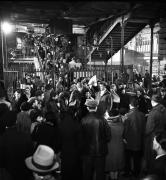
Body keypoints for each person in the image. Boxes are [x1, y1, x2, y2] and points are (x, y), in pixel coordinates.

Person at [79, 99, 111, 180]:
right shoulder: (103, 120)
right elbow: (108, 136)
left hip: (87, 152)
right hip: (100, 152)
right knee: (100, 174)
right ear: (96, 108)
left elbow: (80, 137)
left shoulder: (83, 120)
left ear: (87, 108)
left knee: (87, 174)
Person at [123, 95, 146, 178]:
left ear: (130, 105)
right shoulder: (142, 115)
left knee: (127, 158)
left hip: (129, 140)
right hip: (139, 140)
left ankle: (127, 171)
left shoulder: (127, 115)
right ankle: (136, 173)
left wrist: (124, 138)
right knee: (137, 158)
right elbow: (144, 128)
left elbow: (125, 129)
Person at [145, 92, 166, 171]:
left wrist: (145, 134)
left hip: (153, 136)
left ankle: (152, 171)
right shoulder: (163, 108)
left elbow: (148, 128)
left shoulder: (153, 113)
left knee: (151, 155)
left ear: (152, 101)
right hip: (162, 134)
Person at [105, 109, 125, 180]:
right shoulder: (121, 125)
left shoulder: (107, 125)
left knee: (111, 164)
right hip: (119, 146)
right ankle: (115, 177)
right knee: (117, 164)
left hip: (109, 146)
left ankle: (112, 177)